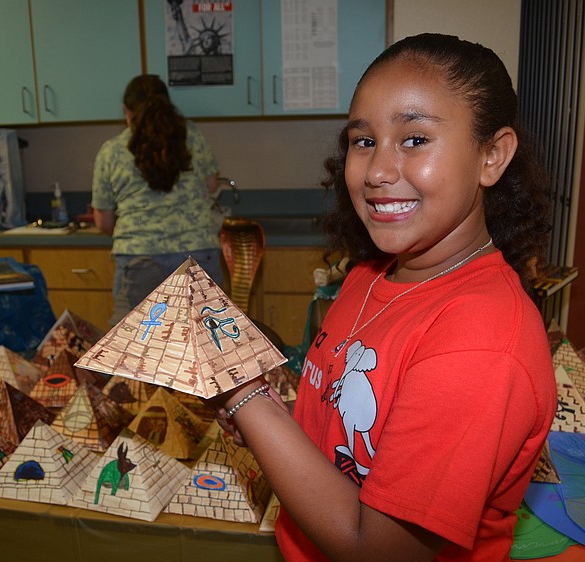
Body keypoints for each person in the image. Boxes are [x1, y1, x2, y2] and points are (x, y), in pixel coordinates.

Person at [210, 33, 558, 561]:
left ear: (492, 155)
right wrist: (272, 422)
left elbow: (376, 548)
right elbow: (341, 431)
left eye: (415, 139)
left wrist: (242, 394)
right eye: (364, 141)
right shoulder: (371, 277)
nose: (376, 172)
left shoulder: (481, 344)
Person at [92, 74, 223, 326]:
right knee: (208, 344)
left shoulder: (111, 151)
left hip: (139, 257)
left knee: (138, 349)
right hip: (197, 252)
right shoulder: (192, 136)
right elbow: (211, 184)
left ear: (126, 111)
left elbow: (103, 222)